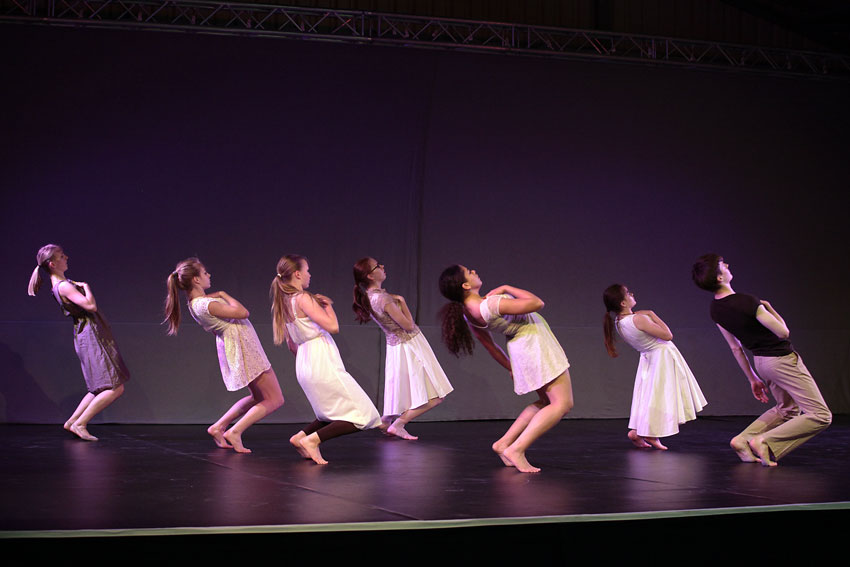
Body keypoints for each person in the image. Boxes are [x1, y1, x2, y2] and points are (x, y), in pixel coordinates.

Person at [692, 253, 831, 466]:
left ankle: (742, 440)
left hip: (762, 363)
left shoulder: (715, 309)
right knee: (821, 415)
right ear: (719, 277)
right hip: (782, 361)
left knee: (787, 410)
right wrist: (770, 308)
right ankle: (764, 440)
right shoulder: (748, 301)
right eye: (722, 265)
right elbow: (783, 332)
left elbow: (735, 348)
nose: (727, 265)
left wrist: (753, 378)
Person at [438, 265, 573, 473]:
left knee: (546, 402)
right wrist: (506, 287)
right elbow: (537, 303)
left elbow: (491, 347)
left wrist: (512, 367)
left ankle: (504, 444)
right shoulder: (490, 304)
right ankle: (517, 449)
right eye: (468, 272)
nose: (474, 271)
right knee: (562, 403)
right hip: (535, 346)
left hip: (523, 350)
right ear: (465, 285)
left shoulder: (469, 312)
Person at [164, 257, 283, 453]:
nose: (208, 275)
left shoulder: (196, 304)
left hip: (239, 345)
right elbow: (243, 312)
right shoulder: (205, 304)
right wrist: (223, 294)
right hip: (243, 347)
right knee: (275, 399)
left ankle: (219, 427)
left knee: (258, 396)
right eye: (204, 273)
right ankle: (235, 431)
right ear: (196, 279)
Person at [271, 254, 381, 465]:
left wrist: (309, 362)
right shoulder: (302, 298)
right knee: (365, 415)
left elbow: (292, 345)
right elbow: (333, 327)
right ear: (297, 274)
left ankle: (300, 437)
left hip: (305, 362)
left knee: (328, 411)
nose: (309, 275)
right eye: (307, 271)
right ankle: (313, 440)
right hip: (321, 361)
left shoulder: (284, 302)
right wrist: (328, 306)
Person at [27, 244, 130, 441]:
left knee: (98, 388)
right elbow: (90, 306)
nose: (66, 257)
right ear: (52, 264)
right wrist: (87, 288)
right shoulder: (63, 286)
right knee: (115, 388)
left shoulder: (61, 284)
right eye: (61, 256)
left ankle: (73, 421)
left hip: (87, 335)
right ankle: (81, 423)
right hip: (92, 336)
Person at [352, 257, 453, 440]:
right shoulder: (383, 298)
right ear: (370, 275)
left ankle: (386, 420)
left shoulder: (369, 297)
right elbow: (408, 325)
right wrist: (403, 301)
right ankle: (399, 424)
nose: (382, 266)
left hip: (396, 347)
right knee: (437, 394)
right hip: (410, 345)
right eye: (377, 266)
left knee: (404, 392)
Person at [602, 284, 706, 450]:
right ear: (623, 303)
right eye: (628, 293)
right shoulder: (638, 319)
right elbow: (667, 335)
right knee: (660, 396)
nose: (632, 294)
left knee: (649, 396)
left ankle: (638, 431)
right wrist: (652, 314)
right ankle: (650, 433)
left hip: (649, 358)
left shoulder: (618, 322)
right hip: (660, 356)